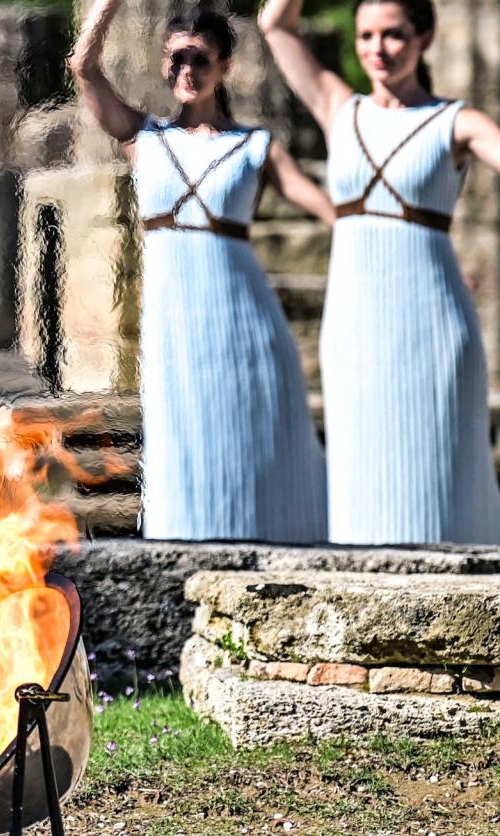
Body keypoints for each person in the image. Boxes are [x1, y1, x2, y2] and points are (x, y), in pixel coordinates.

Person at [69, 3, 331, 542]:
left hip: (245, 320)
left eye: (200, 59)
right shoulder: (142, 138)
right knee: (179, 437)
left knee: (255, 435)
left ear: (224, 66)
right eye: (177, 58)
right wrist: (108, 6)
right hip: (173, 323)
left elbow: (328, 209)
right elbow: (84, 68)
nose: (187, 70)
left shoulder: (254, 147)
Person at [261, 0, 500, 543]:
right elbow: (274, 23)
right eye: (366, 35)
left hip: (433, 324)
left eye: (393, 35)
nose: (377, 49)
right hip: (354, 324)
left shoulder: (456, 122)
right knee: (361, 473)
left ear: (424, 39)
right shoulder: (338, 108)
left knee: (446, 474)